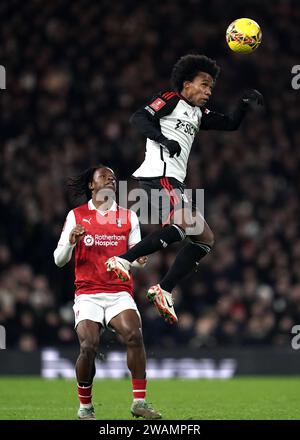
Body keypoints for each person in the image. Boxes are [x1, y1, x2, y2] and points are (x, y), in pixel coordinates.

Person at [106, 54, 264, 324]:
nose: (208, 91)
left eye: (211, 87)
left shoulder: (198, 113)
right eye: (203, 84)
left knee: (205, 238)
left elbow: (230, 124)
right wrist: (163, 140)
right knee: (182, 225)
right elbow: (138, 119)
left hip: (173, 182)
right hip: (160, 177)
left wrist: (243, 104)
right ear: (186, 84)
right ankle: (123, 259)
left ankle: (163, 289)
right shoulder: (170, 100)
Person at [54, 165, 161, 420]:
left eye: (113, 177)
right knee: (89, 346)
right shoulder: (76, 216)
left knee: (134, 335)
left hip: (118, 292)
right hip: (88, 293)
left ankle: (139, 402)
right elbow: (59, 259)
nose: (110, 180)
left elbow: (134, 256)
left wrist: (139, 259)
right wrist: (71, 241)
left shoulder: (128, 217)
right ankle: (85, 407)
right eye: (104, 176)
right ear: (92, 185)